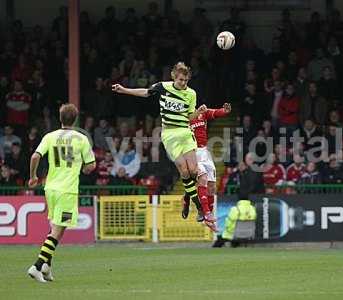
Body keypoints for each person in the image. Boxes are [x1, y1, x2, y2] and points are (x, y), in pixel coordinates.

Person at [112, 62, 216, 230]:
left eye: (186, 80)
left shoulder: (191, 94)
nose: (183, 83)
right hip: (170, 134)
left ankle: (188, 198)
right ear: (174, 77)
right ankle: (198, 206)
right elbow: (145, 92)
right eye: (181, 80)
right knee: (184, 171)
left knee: (193, 170)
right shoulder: (163, 87)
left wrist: (199, 112)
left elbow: (190, 117)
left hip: (184, 132)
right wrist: (124, 90)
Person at [27, 104, 96, 283]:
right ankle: (37, 265)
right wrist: (85, 167)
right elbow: (91, 166)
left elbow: (35, 156)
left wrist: (33, 176)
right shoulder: (81, 139)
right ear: (75, 119)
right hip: (67, 189)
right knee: (58, 231)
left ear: (60, 118)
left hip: (50, 187)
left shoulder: (50, 137)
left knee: (54, 227)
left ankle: (47, 267)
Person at [182, 102, 231, 220]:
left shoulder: (201, 112)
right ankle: (204, 211)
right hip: (191, 153)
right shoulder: (182, 119)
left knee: (212, 186)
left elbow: (215, 112)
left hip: (205, 152)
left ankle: (202, 206)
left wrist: (224, 111)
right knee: (202, 179)